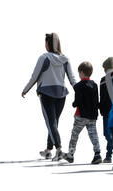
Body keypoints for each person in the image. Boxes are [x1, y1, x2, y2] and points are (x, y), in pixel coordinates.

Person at [22, 33, 77, 161]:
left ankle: (58, 150)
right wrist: (79, 90)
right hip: (62, 94)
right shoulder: (65, 59)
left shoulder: (44, 58)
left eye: (46, 42)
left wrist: (25, 90)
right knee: (54, 122)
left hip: (46, 93)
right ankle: (48, 150)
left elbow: (34, 76)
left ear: (48, 44)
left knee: (50, 122)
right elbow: (72, 78)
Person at [63, 62, 101, 164]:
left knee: (75, 134)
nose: (78, 74)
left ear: (82, 72)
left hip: (81, 114)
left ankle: (70, 155)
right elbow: (96, 100)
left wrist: (74, 104)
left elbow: (78, 101)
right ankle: (97, 153)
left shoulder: (78, 86)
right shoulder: (94, 85)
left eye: (79, 72)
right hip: (92, 115)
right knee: (93, 134)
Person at [99, 57, 113, 163]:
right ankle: (109, 155)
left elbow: (102, 96)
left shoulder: (103, 79)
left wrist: (100, 108)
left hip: (106, 110)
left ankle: (111, 151)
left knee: (106, 133)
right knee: (112, 133)